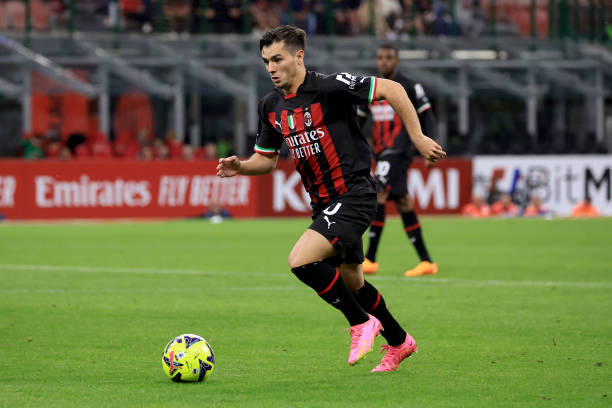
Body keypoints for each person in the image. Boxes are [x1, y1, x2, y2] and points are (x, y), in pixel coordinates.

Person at [217, 26, 445, 373]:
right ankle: (400, 341)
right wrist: (241, 167)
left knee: (301, 260)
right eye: (266, 61)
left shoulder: (330, 87)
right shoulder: (270, 106)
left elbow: (393, 89)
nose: (271, 68)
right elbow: (266, 160)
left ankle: (361, 322)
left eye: (277, 59)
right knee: (353, 281)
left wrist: (417, 136)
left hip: (355, 194)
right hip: (323, 204)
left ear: (299, 56)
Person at [356, 43, 438, 278]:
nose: (384, 61)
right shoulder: (371, 87)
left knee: (378, 192)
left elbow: (427, 115)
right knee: (402, 202)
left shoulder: (410, 86)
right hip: (381, 151)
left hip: (400, 150)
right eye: (380, 57)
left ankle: (370, 259)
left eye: (388, 57)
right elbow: (359, 120)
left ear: (397, 60)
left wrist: (430, 146)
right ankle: (426, 261)